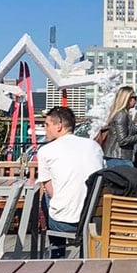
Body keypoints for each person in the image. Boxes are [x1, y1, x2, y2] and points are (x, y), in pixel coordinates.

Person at [37, 105, 104, 258]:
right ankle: (83, 254)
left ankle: (57, 254)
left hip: (64, 223)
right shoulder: (94, 146)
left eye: (47, 125)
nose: (44, 129)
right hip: (94, 219)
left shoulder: (46, 151)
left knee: (45, 197)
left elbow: (51, 192)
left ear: (59, 125)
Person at [100, 85, 137, 168]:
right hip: (119, 158)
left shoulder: (124, 114)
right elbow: (122, 140)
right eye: (134, 97)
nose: (136, 100)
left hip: (120, 158)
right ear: (127, 98)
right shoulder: (121, 115)